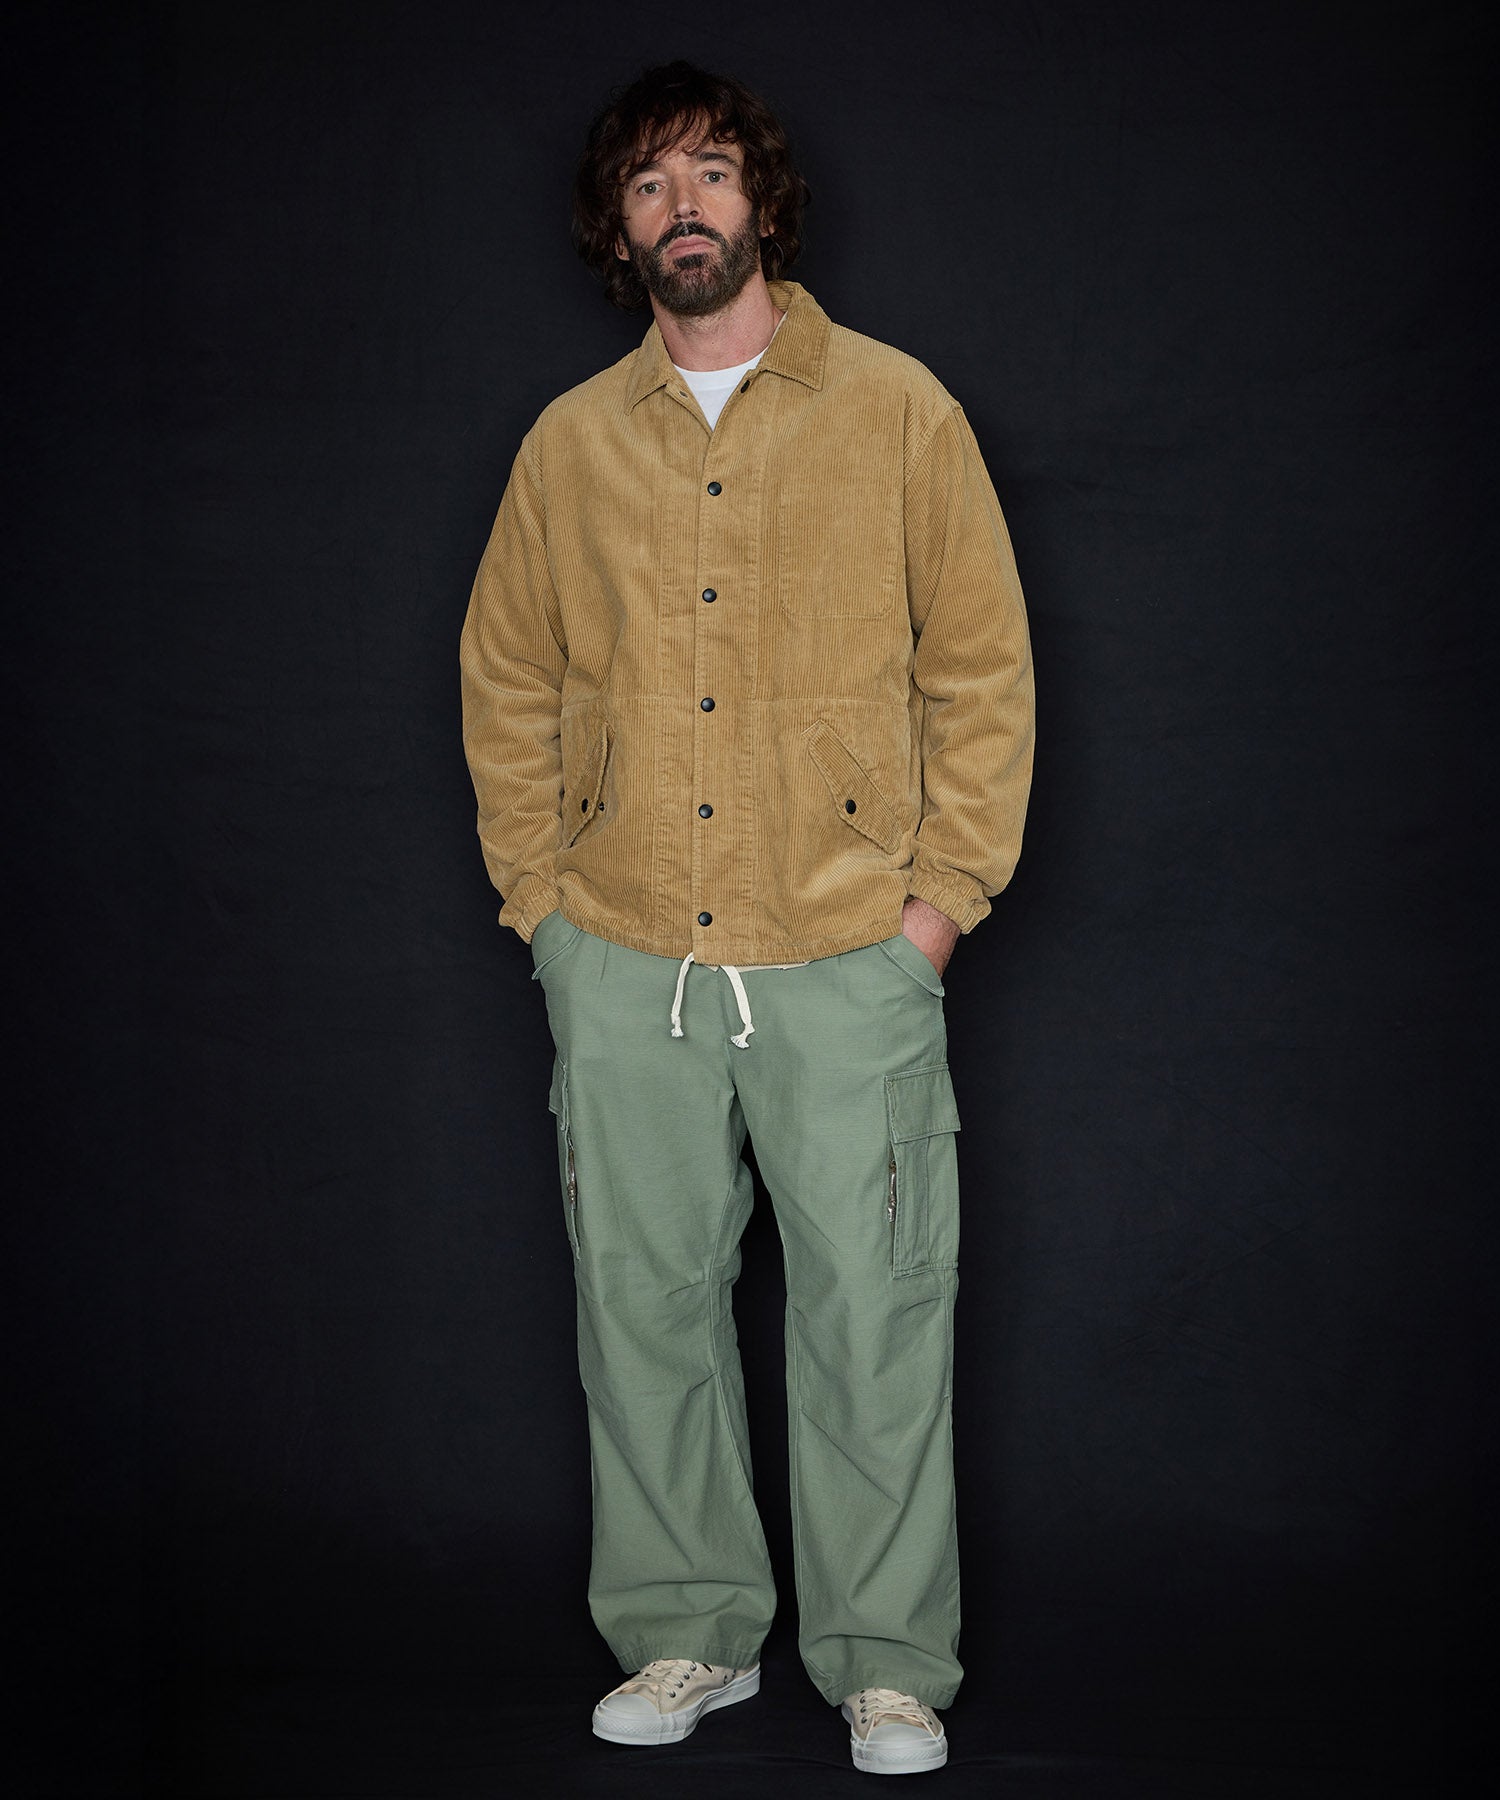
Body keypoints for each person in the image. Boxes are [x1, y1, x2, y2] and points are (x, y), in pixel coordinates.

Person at [459, 59, 1034, 1777]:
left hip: (849, 949)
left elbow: (982, 673)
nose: (681, 207)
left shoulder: (902, 412)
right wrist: (545, 909)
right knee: (641, 1308)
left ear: (762, 201)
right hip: (625, 945)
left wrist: (936, 914)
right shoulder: (569, 444)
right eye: (646, 185)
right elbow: (509, 680)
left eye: (708, 171)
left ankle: (884, 1662)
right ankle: (689, 1632)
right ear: (618, 229)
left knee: (873, 1310)